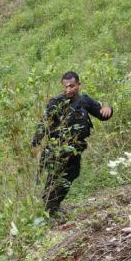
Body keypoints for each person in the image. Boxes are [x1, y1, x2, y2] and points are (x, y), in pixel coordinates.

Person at [32, 71, 113, 217]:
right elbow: (43, 125)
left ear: (79, 85)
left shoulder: (84, 100)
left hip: (75, 149)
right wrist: (35, 144)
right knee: (54, 179)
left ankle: (51, 207)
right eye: (65, 86)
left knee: (71, 175)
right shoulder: (55, 102)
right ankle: (48, 210)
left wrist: (108, 108)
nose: (68, 89)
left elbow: (102, 114)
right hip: (57, 149)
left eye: (72, 86)